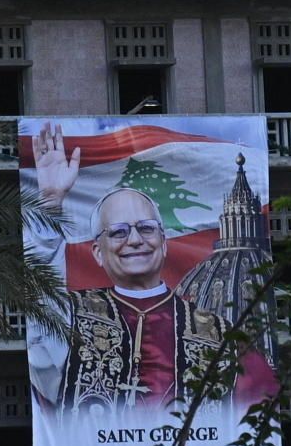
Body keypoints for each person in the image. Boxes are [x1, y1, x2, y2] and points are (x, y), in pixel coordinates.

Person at [25, 122, 270, 410]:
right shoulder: (71, 319)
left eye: (146, 228)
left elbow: (259, 411)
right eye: (118, 232)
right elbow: (40, 301)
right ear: (98, 253)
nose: (134, 240)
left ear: (164, 243)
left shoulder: (221, 334)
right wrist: (50, 202)